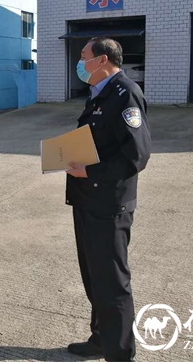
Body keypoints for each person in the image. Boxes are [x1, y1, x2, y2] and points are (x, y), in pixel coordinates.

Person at [65, 38, 151, 362]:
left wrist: (90, 172)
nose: (80, 63)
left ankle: (120, 354)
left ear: (101, 60)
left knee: (112, 282)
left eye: (83, 57)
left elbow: (136, 156)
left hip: (109, 205)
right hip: (88, 201)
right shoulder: (99, 95)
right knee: (94, 277)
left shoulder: (124, 94)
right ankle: (101, 338)